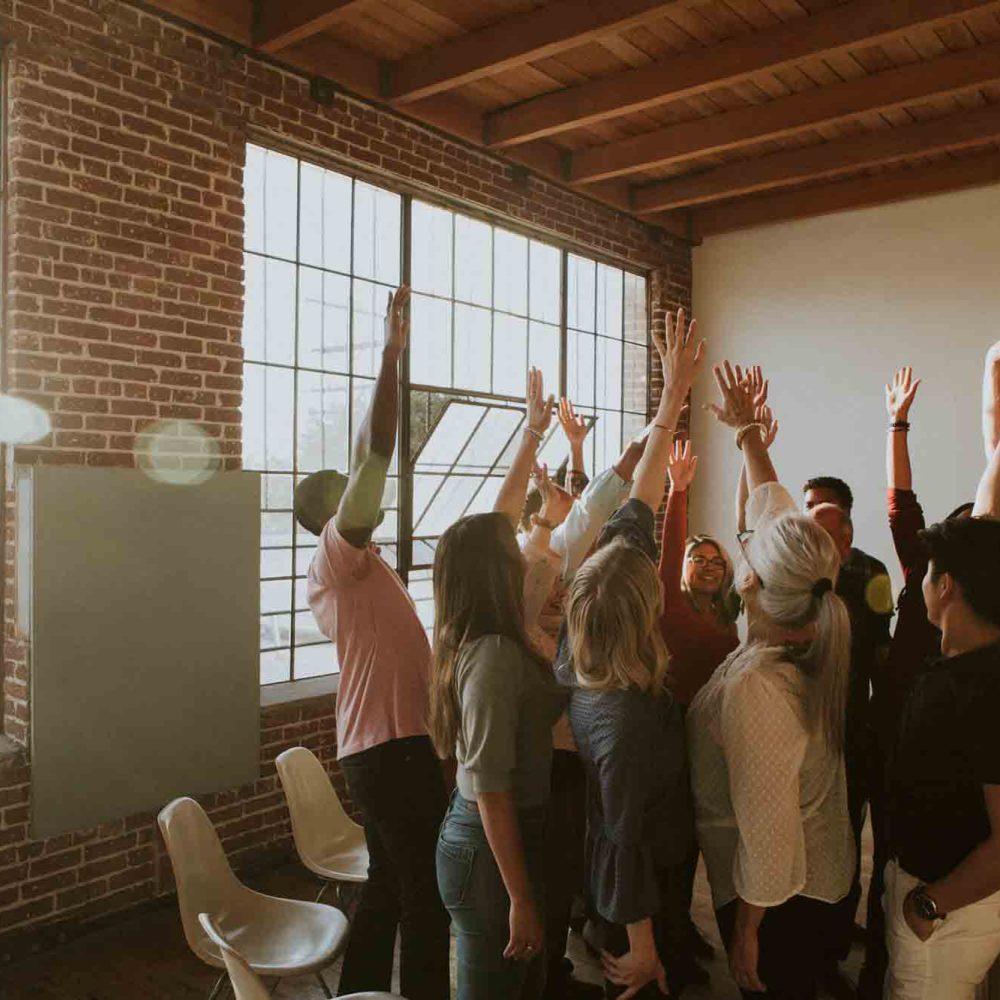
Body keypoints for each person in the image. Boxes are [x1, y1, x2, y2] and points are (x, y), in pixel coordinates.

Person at [299, 286, 450, 1000]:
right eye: (349, 485)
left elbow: (368, 459)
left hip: (395, 746)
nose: (365, 485)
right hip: (389, 752)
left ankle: (360, 989)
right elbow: (376, 454)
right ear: (330, 511)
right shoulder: (335, 555)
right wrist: (391, 356)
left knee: (392, 886)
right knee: (429, 896)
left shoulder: (359, 564)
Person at [689, 361, 855, 1000]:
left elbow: (770, 834)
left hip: (785, 902)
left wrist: (747, 930)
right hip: (814, 879)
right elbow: (775, 509)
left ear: (749, 581)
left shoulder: (759, 691)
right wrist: (748, 432)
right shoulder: (810, 599)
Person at [558, 307, 706, 999]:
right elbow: (624, 847)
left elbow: (640, 495)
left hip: (649, 862)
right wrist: (644, 950)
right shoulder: (625, 724)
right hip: (631, 903)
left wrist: (673, 398)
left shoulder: (580, 645)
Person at [432, 367, 568, 1000]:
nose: (525, 551)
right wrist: (519, 897)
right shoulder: (488, 655)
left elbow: (499, 518)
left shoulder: (482, 627)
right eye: (513, 553)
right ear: (495, 575)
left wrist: (532, 435)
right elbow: (488, 787)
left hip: (503, 843)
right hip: (486, 857)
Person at [514, 404, 651, 1000]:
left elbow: (593, 507)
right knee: (548, 870)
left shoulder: (570, 566)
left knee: (571, 861)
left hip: (577, 749)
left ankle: (557, 962)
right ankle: (539, 975)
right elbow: (584, 513)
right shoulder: (529, 567)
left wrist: (650, 434)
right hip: (547, 755)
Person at [883, 517, 1000, 1000]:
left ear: (945, 584)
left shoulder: (986, 690)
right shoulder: (954, 666)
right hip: (926, 892)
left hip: (947, 910)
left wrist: (929, 905)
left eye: (926, 574)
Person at [801, 474, 893, 998]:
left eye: (823, 513)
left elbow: (882, 655)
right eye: (808, 507)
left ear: (848, 531)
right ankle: (814, 939)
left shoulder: (872, 575)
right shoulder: (792, 573)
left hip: (855, 728)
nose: (811, 519)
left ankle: (837, 939)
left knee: (848, 835)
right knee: (814, 837)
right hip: (803, 727)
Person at [657, 438, 740, 983]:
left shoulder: (729, 614)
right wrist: (678, 491)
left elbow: (750, 534)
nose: (707, 566)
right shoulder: (670, 602)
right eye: (698, 559)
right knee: (675, 845)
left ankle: (684, 928)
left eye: (716, 561)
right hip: (672, 730)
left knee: (702, 841)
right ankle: (670, 944)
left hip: (712, 737)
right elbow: (669, 551)